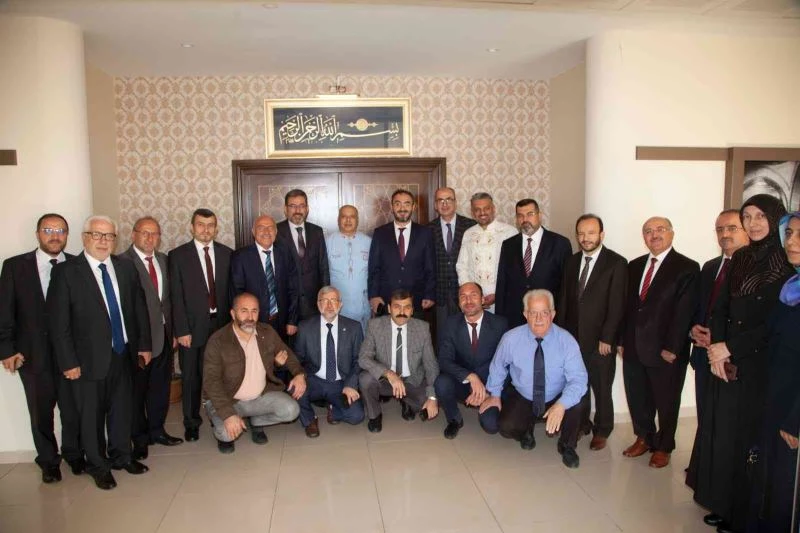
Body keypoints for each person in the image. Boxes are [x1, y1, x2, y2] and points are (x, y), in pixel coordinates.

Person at [687, 195, 793, 533]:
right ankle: (725, 505)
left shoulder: (787, 263)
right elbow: (720, 308)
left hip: (759, 366)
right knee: (725, 437)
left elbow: (773, 324)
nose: (753, 223)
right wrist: (717, 349)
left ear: (775, 219)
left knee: (749, 441)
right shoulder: (741, 258)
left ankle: (745, 516)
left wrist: (729, 347)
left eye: (761, 216)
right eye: (748, 216)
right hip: (727, 363)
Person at [48, 215, 152, 490]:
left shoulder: (125, 268)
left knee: (122, 410)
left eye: (109, 236)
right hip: (86, 361)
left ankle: (122, 456)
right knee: (91, 417)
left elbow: (139, 309)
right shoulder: (67, 272)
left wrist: (143, 345)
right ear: (85, 237)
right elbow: (58, 323)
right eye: (97, 235)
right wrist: (68, 362)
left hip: (123, 353)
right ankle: (97, 465)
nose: (103, 241)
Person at [0, 213, 83, 483]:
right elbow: (4, 311)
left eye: (60, 230)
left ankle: (74, 454)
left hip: (71, 355)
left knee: (73, 410)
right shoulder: (15, 267)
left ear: (67, 235)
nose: (55, 235)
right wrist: (6, 349)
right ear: (37, 234)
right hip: (32, 355)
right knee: (40, 413)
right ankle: (48, 461)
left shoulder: (77, 265)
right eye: (48, 230)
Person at [620, 216, 698, 469]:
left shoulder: (687, 267)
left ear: (671, 233)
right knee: (637, 397)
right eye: (648, 231)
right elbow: (626, 307)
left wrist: (673, 347)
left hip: (666, 350)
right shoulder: (634, 266)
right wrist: (621, 340)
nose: (654, 235)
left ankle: (664, 446)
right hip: (633, 346)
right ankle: (644, 438)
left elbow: (684, 311)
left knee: (666, 401)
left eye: (660, 230)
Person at [479, 289, 587, 468]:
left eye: (544, 313)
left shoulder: (566, 341)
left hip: (556, 395)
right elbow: (498, 366)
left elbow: (579, 378)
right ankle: (525, 432)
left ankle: (567, 446)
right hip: (524, 395)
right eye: (533, 313)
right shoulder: (511, 338)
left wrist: (561, 405)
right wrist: (495, 394)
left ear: (552, 314)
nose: (538, 319)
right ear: (525, 314)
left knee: (579, 403)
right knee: (506, 427)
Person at [556, 213, 627, 451]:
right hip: (573, 339)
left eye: (591, 233)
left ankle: (602, 429)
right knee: (578, 384)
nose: (586, 238)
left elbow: (617, 304)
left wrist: (608, 337)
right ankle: (581, 424)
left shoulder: (616, 263)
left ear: (601, 234)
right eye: (581, 233)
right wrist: (561, 335)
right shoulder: (571, 262)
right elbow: (564, 300)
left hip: (600, 342)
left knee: (602, 387)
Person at [202, 292, 305, 454]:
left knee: (291, 410)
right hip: (229, 400)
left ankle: (256, 421)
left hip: (259, 396)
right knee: (226, 434)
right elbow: (211, 382)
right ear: (233, 313)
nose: (250, 317)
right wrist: (228, 415)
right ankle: (228, 421)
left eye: (254, 311)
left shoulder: (266, 332)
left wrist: (299, 374)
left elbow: (287, 354)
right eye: (244, 311)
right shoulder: (218, 341)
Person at [753, 211, 800, 532]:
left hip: (793, 410)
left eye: (799, 235)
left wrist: (795, 421)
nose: (791, 242)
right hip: (776, 398)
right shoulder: (791, 286)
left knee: (787, 490)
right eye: (790, 233)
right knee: (771, 480)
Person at [121, 216, 183, 460]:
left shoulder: (164, 260)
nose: (149, 238)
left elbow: (169, 300)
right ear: (133, 234)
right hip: (139, 341)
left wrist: (174, 331)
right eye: (144, 233)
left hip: (164, 336)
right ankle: (139, 439)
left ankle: (157, 431)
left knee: (160, 388)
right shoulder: (122, 263)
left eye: (154, 233)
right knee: (137, 392)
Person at [169, 208, 232, 442]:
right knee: (191, 377)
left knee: (221, 375)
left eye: (210, 225)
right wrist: (181, 330)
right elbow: (176, 296)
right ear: (192, 227)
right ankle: (191, 422)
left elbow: (231, 292)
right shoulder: (178, 256)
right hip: (192, 328)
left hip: (222, 326)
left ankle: (222, 416)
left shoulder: (227, 254)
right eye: (200, 225)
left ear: (216, 228)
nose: (206, 230)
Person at [688, 210, 749, 424]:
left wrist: (718, 338)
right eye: (720, 229)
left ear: (746, 231)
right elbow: (700, 307)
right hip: (703, 355)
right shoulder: (710, 267)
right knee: (705, 417)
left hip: (734, 358)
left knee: (729, 422)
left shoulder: (755, 270)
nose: (725, 234)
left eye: (732, 228)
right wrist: (693, 329)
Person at [358, 289, 439, 433]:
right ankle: (375, 415)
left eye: (407, 307)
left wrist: (432, 397)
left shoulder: (422, 328)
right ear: (389, 309)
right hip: (385, 380)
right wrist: (389, 374)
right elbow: (363, 358)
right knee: (365, 379)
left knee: (428, 401)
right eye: (397, 307)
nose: (402, 312)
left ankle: (406, 402)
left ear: (412, 310)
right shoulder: (375, 325)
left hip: (412, 380)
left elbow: (431, 365)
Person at [434, 282, 508, 439]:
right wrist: (471, 377)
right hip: (463, 381)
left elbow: (508, 364)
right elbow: (444, 360)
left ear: (483, 299)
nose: (468, 301)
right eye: (463, 297)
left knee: (491, 425)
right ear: (459, 303)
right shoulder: (450, 324)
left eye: (473, 295)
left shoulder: (500, 324)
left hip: (490, 385)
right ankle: (454, 419)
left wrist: (491, 391)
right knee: (441, 383)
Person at [294, 286, 365, 438]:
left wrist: (351, 384)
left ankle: (334, 409)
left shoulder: (354, 327)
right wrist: (299, 376)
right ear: (318, 304)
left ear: (340, 304)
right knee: (295, 388)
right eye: (324, 300)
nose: (329, 305)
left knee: (357, 416)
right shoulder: (305, 327)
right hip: (314, 379)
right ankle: (309, 420)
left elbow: (359, 360)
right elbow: (297, 359)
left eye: (333, 300)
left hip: (340, 382)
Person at [496, 198, 572, 328]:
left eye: (530, 214)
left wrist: (564, 319)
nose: (525, 219)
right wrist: (500, 320)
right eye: (520, 215)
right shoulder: (508, 245)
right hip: (515, 318)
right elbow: (502, 284)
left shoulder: (560, 244)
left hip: (548, 318)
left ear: (539, 215)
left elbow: (567, 286)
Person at [368, 189, 436, 318]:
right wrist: (374, 295)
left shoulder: (425, 233)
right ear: (392, 207)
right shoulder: (380, 233)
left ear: (413, 207)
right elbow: (374, 268)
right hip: (386, 301)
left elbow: (430, 267)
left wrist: (430, 294)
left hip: (417, 300)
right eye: (397, 204)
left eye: (407, 204)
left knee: (416, 331)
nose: (402, 208)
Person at [230, 215, 299, 341]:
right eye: (261, 228)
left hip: (282, 323)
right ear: (253, 231)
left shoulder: (285, 254)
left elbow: (294, 289)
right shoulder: (240, 257)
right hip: (253, 322)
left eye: (270, 228)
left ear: (276, 232)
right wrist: (244, 322)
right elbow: (237, 293)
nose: (266, 232)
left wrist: (292, 320)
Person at [456, 192, 517, 312]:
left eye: (486, 208)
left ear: (493, 209)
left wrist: (498, 294)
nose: (482, 212)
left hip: (503, 296)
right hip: (474, 300)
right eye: (477, 209)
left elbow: (515, 269)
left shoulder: (509, 232)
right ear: (472, 212)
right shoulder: (468, 233)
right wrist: (471, 294)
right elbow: (462, 266)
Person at [427, 187, 476, 332]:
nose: (445, 204)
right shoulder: (428, 229)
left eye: (449, 199)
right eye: (440, 200)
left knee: (465, 333)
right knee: (442, 334)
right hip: (439, 294)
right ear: (435, 205)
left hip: (464, 291)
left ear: (455, 203)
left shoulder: (471, 226)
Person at [276, 189, 330, 321]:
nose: (297, 210)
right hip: (286, 302)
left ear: (307, 209)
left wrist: (325, 297)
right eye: (292, 206)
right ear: (285, 209)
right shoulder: (276, 232)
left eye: (301, 206)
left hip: (313, 303)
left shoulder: (317, 231)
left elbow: (323, 267)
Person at [326, 205, 371, 331]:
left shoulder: (368, 242)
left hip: (362, 305)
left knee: (363, 338)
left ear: (357, 220)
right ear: (338, 219)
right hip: (337, 306)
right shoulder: (327, 242)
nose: (348, 220)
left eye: (352, 217)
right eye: (344, 217)